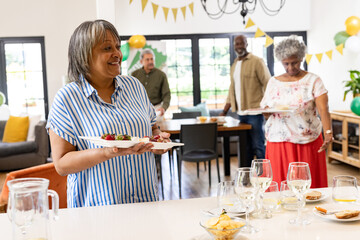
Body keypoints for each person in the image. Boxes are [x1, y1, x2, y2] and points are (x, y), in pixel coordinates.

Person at [46, 20, 170, 208]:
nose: (117, 54)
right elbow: (62, 164)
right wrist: (105, 153)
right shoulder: (67, 98)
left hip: (146, 202)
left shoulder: (134, 86)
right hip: (97, 210)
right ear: (84, 56)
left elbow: (152, 128)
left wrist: (158, 140)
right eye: (107, 48)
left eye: (118, 47)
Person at [260, 35, 332, 188]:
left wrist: (328, 132)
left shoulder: (313, 80)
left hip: (307, 140)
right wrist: (266, 113)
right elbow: (266, 110)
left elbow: (323, 109)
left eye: (295, 63)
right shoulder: (273, 82)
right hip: (278, 140)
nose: (290, 67)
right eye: (286, 64)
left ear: (301, 59)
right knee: (279, 187)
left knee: (308, 187)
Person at [221, 35, 271, 167]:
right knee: (245, 147)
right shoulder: (234, 65)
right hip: (240, 114)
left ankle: (264, 176)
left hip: (255, 113)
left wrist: (268, 107)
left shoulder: (257, 61)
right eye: (236, 44)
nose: (239, 47)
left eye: (241, 44)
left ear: (246, 44)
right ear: (234, 46)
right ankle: (247, 177)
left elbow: (268, 84)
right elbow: (232, 90)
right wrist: (224, 111)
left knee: (258, 146)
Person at [131, 49, 171, 120]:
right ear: (141, 61)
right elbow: (130, 93)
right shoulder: (134, 75)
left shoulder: (161, 75)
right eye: (147, 60)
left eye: (152, 59)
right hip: (139, 110)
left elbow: (167, 94)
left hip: (156, 110)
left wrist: (163, 107)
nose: (150, 62)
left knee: (158, 130)